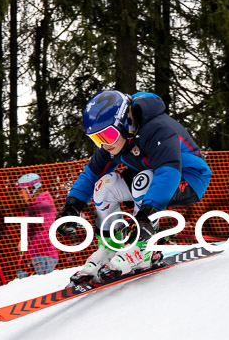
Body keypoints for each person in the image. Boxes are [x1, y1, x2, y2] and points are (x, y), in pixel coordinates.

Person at [57, 90, 212, 284]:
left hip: (188, 177)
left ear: (126, 124)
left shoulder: (157, 129)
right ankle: (110, 247)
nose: (104, 144)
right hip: (152, 177)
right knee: (105, 185)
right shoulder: (114, 143)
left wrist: (146, 215)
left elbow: (169, 171)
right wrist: (72, 206)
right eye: (97, 138)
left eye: (107, 135)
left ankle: (143, 249)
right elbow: (91, 174)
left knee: (143, 179)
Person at [15, 173, 59, 278]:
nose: (21, 195)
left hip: (44, 256)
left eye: (22, 191)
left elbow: (48, 232)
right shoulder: (32, 208)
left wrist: (28, 245)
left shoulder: (44, 206)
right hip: (34, 256)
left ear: (31, 189)